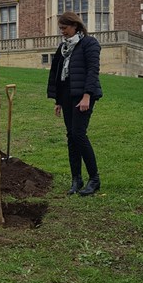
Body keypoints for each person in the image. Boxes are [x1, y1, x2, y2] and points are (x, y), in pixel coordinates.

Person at [47, 12, 103, 196]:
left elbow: (92, 70)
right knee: (71, 136)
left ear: (75, 26)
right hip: (67, 97)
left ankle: (94, 179)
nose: (62, 32)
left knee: (79, 134)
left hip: (83, 96)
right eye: (61, 28)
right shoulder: (63, 47)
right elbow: (56, 73)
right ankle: (76, 179)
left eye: (65, 28)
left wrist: (87, 95)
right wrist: (58, 101)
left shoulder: (89, 43)